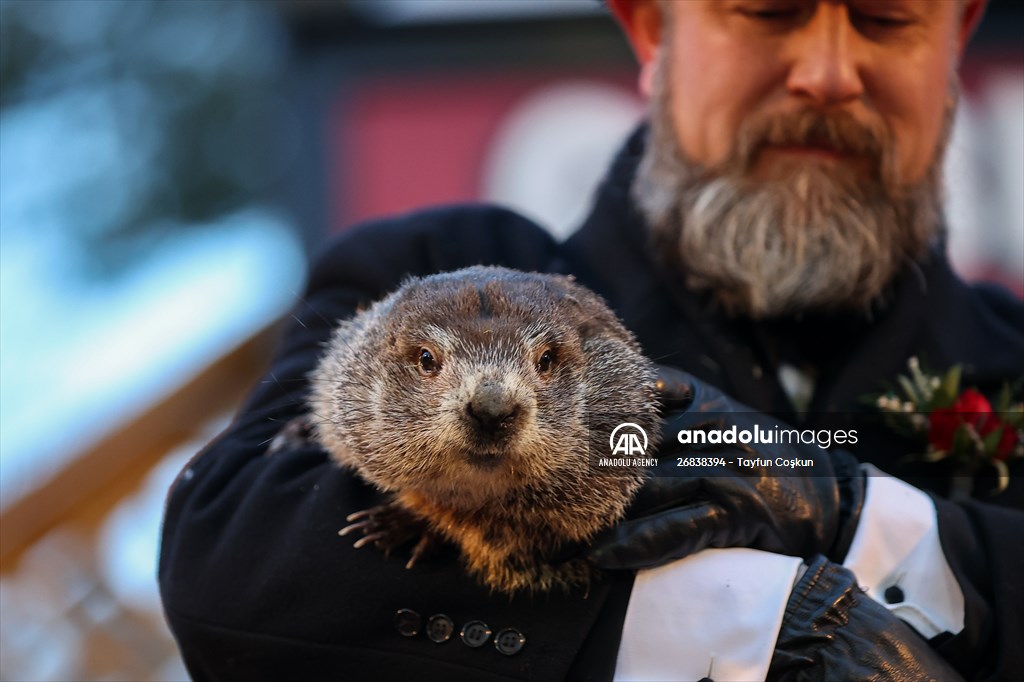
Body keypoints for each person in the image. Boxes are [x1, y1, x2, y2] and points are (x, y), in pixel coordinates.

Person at [159, 1, 1023, 680]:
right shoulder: (423, 264)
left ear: (957, 38)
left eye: (887, 20)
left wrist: (869, 519)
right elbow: (234, 558)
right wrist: (740, 622)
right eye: (767, 12)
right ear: (653, 29)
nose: (829, 73)